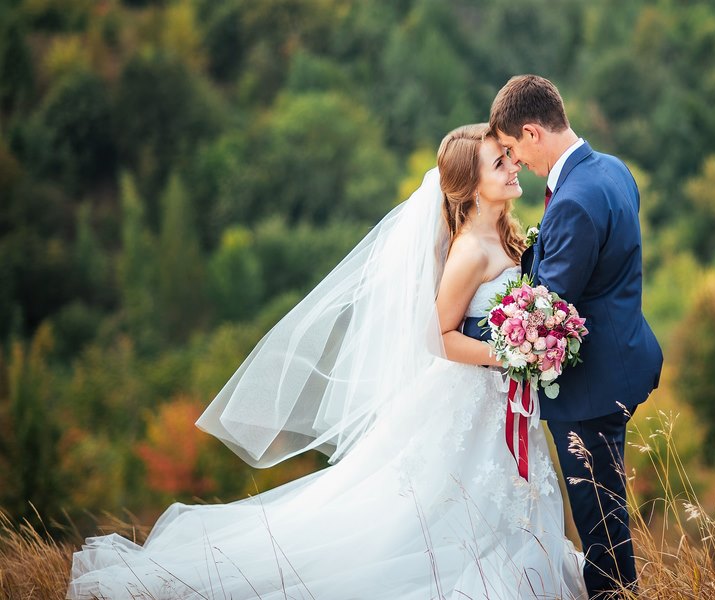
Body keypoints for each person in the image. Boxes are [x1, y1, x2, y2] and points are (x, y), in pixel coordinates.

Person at [66, 123, 586, 600]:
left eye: (510, 158)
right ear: (470, 186)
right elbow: (437, 337)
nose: (514, 165)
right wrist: (511, 353)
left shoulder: (504, 233)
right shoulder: (470, 250)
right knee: (426, 520)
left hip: (502, 405)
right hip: (473, 400)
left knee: (500, 507)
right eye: (500, 163)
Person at [488, 75, 663, 599]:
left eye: (514, 150)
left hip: (587, 390)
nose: (515, 163)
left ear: (532, 132)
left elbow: (546, 313)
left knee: (600, 531)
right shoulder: (613, 170)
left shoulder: (571, 202)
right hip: (623, 362)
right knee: (609, 515)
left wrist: (482, 329)